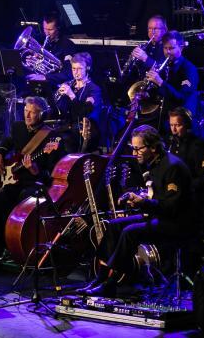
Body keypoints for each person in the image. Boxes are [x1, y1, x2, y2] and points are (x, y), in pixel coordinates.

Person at [81, 125, 195, 297]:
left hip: (175, 222)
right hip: (159, 215)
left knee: (130, 232)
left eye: (138, 148)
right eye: (132, 148)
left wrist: (144, 203)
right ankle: (101, 277)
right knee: (114, 226)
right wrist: (136, 197)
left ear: (153, 147)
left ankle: (111, 283)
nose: (134, 153)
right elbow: (155, 196)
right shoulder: (153, 164)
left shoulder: (172, 167)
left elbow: (171, 207)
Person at [146, 31, 200, 124]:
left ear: (181, 48)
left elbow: (181, 98)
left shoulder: (189, 69)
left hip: (181, 117)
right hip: (163, 111)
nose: (167, 52)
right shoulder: (164, 65)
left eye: (171, 48)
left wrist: (160, 82)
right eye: (165, 48)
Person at [55, 52, 103, 151]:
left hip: (86, 130)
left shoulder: (94, 89)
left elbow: (84, 113)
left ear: (87, 69)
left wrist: (71, 95)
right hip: (68, 126)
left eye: (80, 69)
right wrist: (60, 98)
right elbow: (60, 110)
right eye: (73, 68)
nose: (76, 72)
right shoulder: (69, 85)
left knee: (66, 139)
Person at [24, 14, 76, 94]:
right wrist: (33, 60)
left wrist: (45, 77)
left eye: (50, 29)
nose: (47, 33)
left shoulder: (67, 45)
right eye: (45, 29)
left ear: (58, 28)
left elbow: (68, 73)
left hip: (56, 87)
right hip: (38, 84)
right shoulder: (40, 39)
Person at [124, 15, 168, 81]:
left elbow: (164, 72)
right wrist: (132, 61)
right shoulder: (144, 47)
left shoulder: (168, 48)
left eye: (155, 29)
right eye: (150, 28)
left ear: (164, 30)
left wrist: (146, 58)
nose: (152, 32)